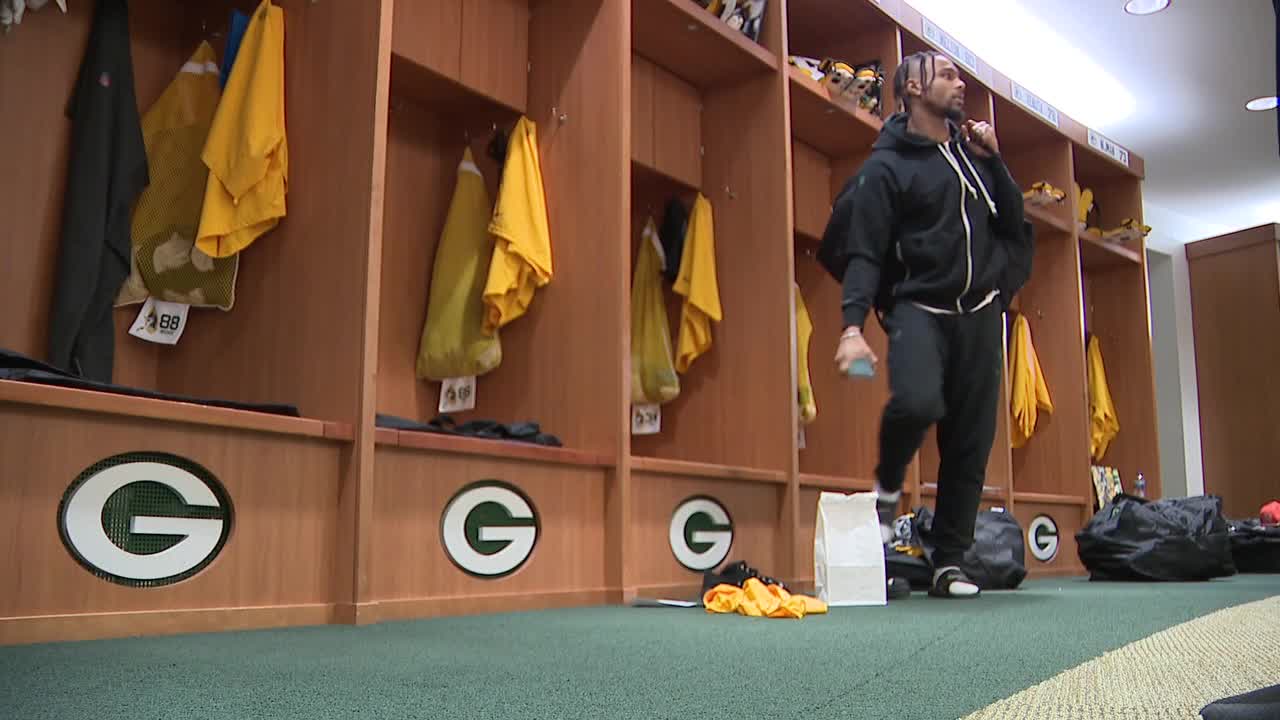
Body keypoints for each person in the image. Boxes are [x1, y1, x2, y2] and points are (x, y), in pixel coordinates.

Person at [816, 51, 1035, 599]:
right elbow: (865, 252)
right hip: (920, 309)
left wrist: (997, 162)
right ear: (912, 89)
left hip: (981, 315)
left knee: (970, 441)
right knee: (916, 401)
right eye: (946, 76)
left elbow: (1012, 221)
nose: (959, 84)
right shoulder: (887, 168)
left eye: (958, 76)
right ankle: (888, 487)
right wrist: (851, 327)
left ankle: (949, 562)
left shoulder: (975, 156)